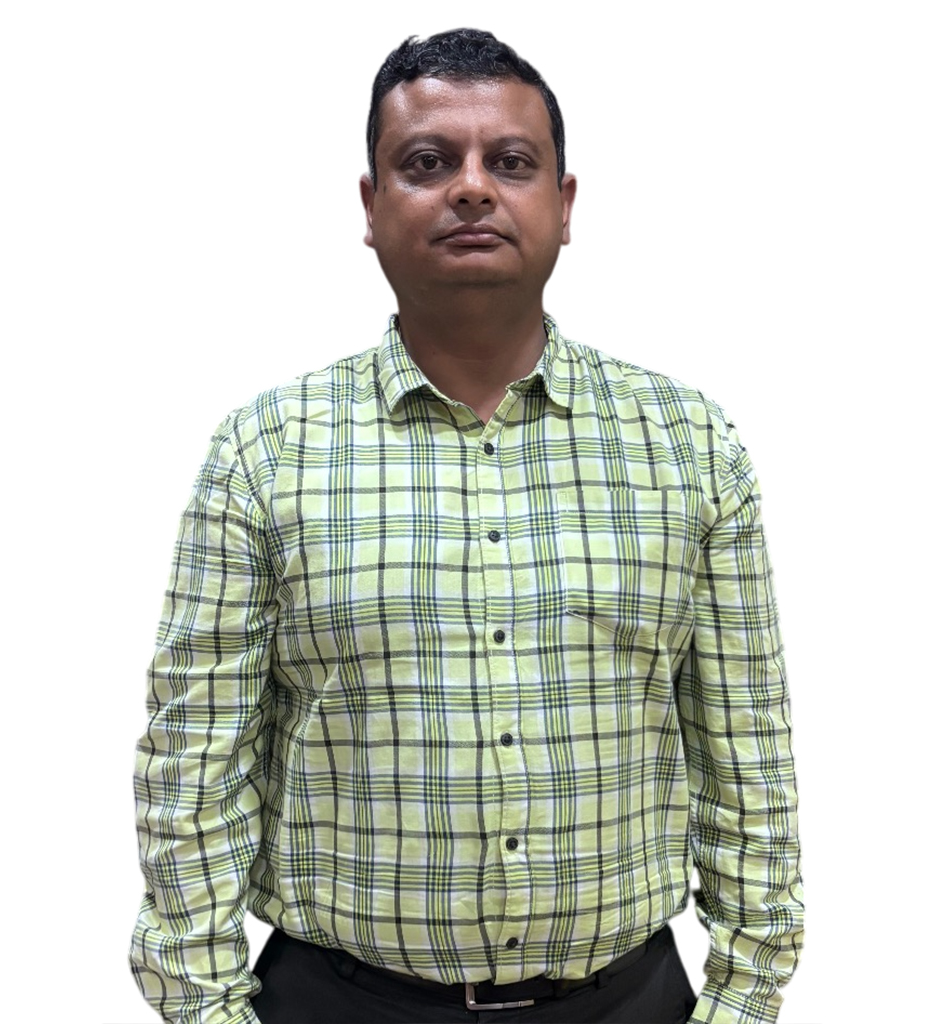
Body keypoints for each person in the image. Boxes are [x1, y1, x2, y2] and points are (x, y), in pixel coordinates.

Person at [130, 28, 803, 1024]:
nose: (473, 188)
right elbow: (194, 765)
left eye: (512, 162)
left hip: (627, 1001)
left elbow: (745, 747)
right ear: (371, 206)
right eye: (428, 162)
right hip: (340, 1003)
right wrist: (203, 1006)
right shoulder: (265, 452)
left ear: (563, 204)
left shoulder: (688, 444)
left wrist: (745, 995)